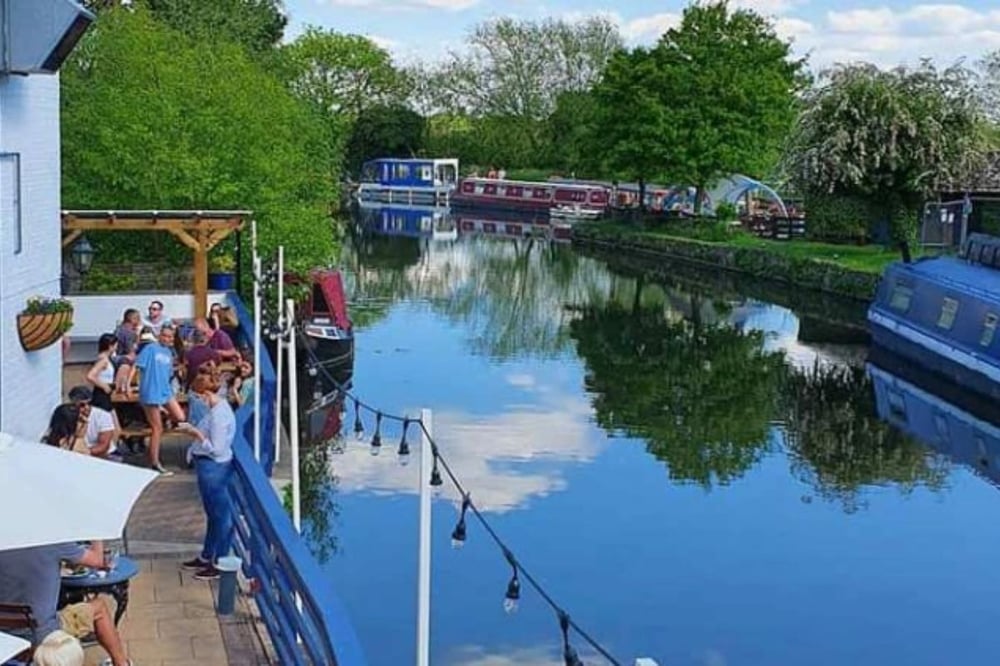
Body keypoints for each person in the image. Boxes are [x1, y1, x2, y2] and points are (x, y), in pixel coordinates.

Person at [0, 542, 131, 666]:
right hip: (43, 633)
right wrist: (96, 537)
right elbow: (98, 560)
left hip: (5, 633)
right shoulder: (53, 541)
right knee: (99, 607)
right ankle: (121, 663)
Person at [180, 373, 236, 581]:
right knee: (213, 515)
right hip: (208, 468)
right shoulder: (216, 410)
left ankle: (219, 561)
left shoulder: (219, 416)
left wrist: (196, 434)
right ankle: (207, 556)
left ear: (205, 394)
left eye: (197, 396)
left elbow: (217, 449)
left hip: (214, 469)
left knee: (220, 516)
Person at [129, 325, 185, 474]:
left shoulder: (168, 352)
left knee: (180, 417)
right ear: (160, 336)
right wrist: (129, 384)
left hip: (165, 391)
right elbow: (137, 366)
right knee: (157, 429)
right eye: (165, 336)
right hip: (151, 392)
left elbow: (167, 373)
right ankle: (155, 462)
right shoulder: (150, 349)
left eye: (170, 337)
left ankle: (164, 415)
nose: (167, 339)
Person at [68, 385, 118, 459]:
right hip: (79, 453)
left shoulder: (103, 416)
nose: (87, 407)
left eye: (90, 403)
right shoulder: (67, 415)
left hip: (104, 455)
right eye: (82, 405)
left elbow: (104, 446)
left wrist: (84, 453)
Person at [86, 334, 119, 411]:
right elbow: (90, 376)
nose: (116, 348)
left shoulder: (107, 359)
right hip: (101, 393)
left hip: (107, 392)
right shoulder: (103, 360)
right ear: (110, 346)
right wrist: (104, 386)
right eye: (115, 345)